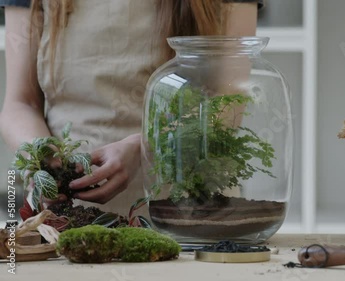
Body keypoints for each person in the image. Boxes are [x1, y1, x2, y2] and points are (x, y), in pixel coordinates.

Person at [0, 0, 263, 217]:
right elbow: (21, 104)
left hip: (189, 217)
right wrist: (44, 159)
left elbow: (229, 104)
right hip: (68, 219)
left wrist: (146, 147)